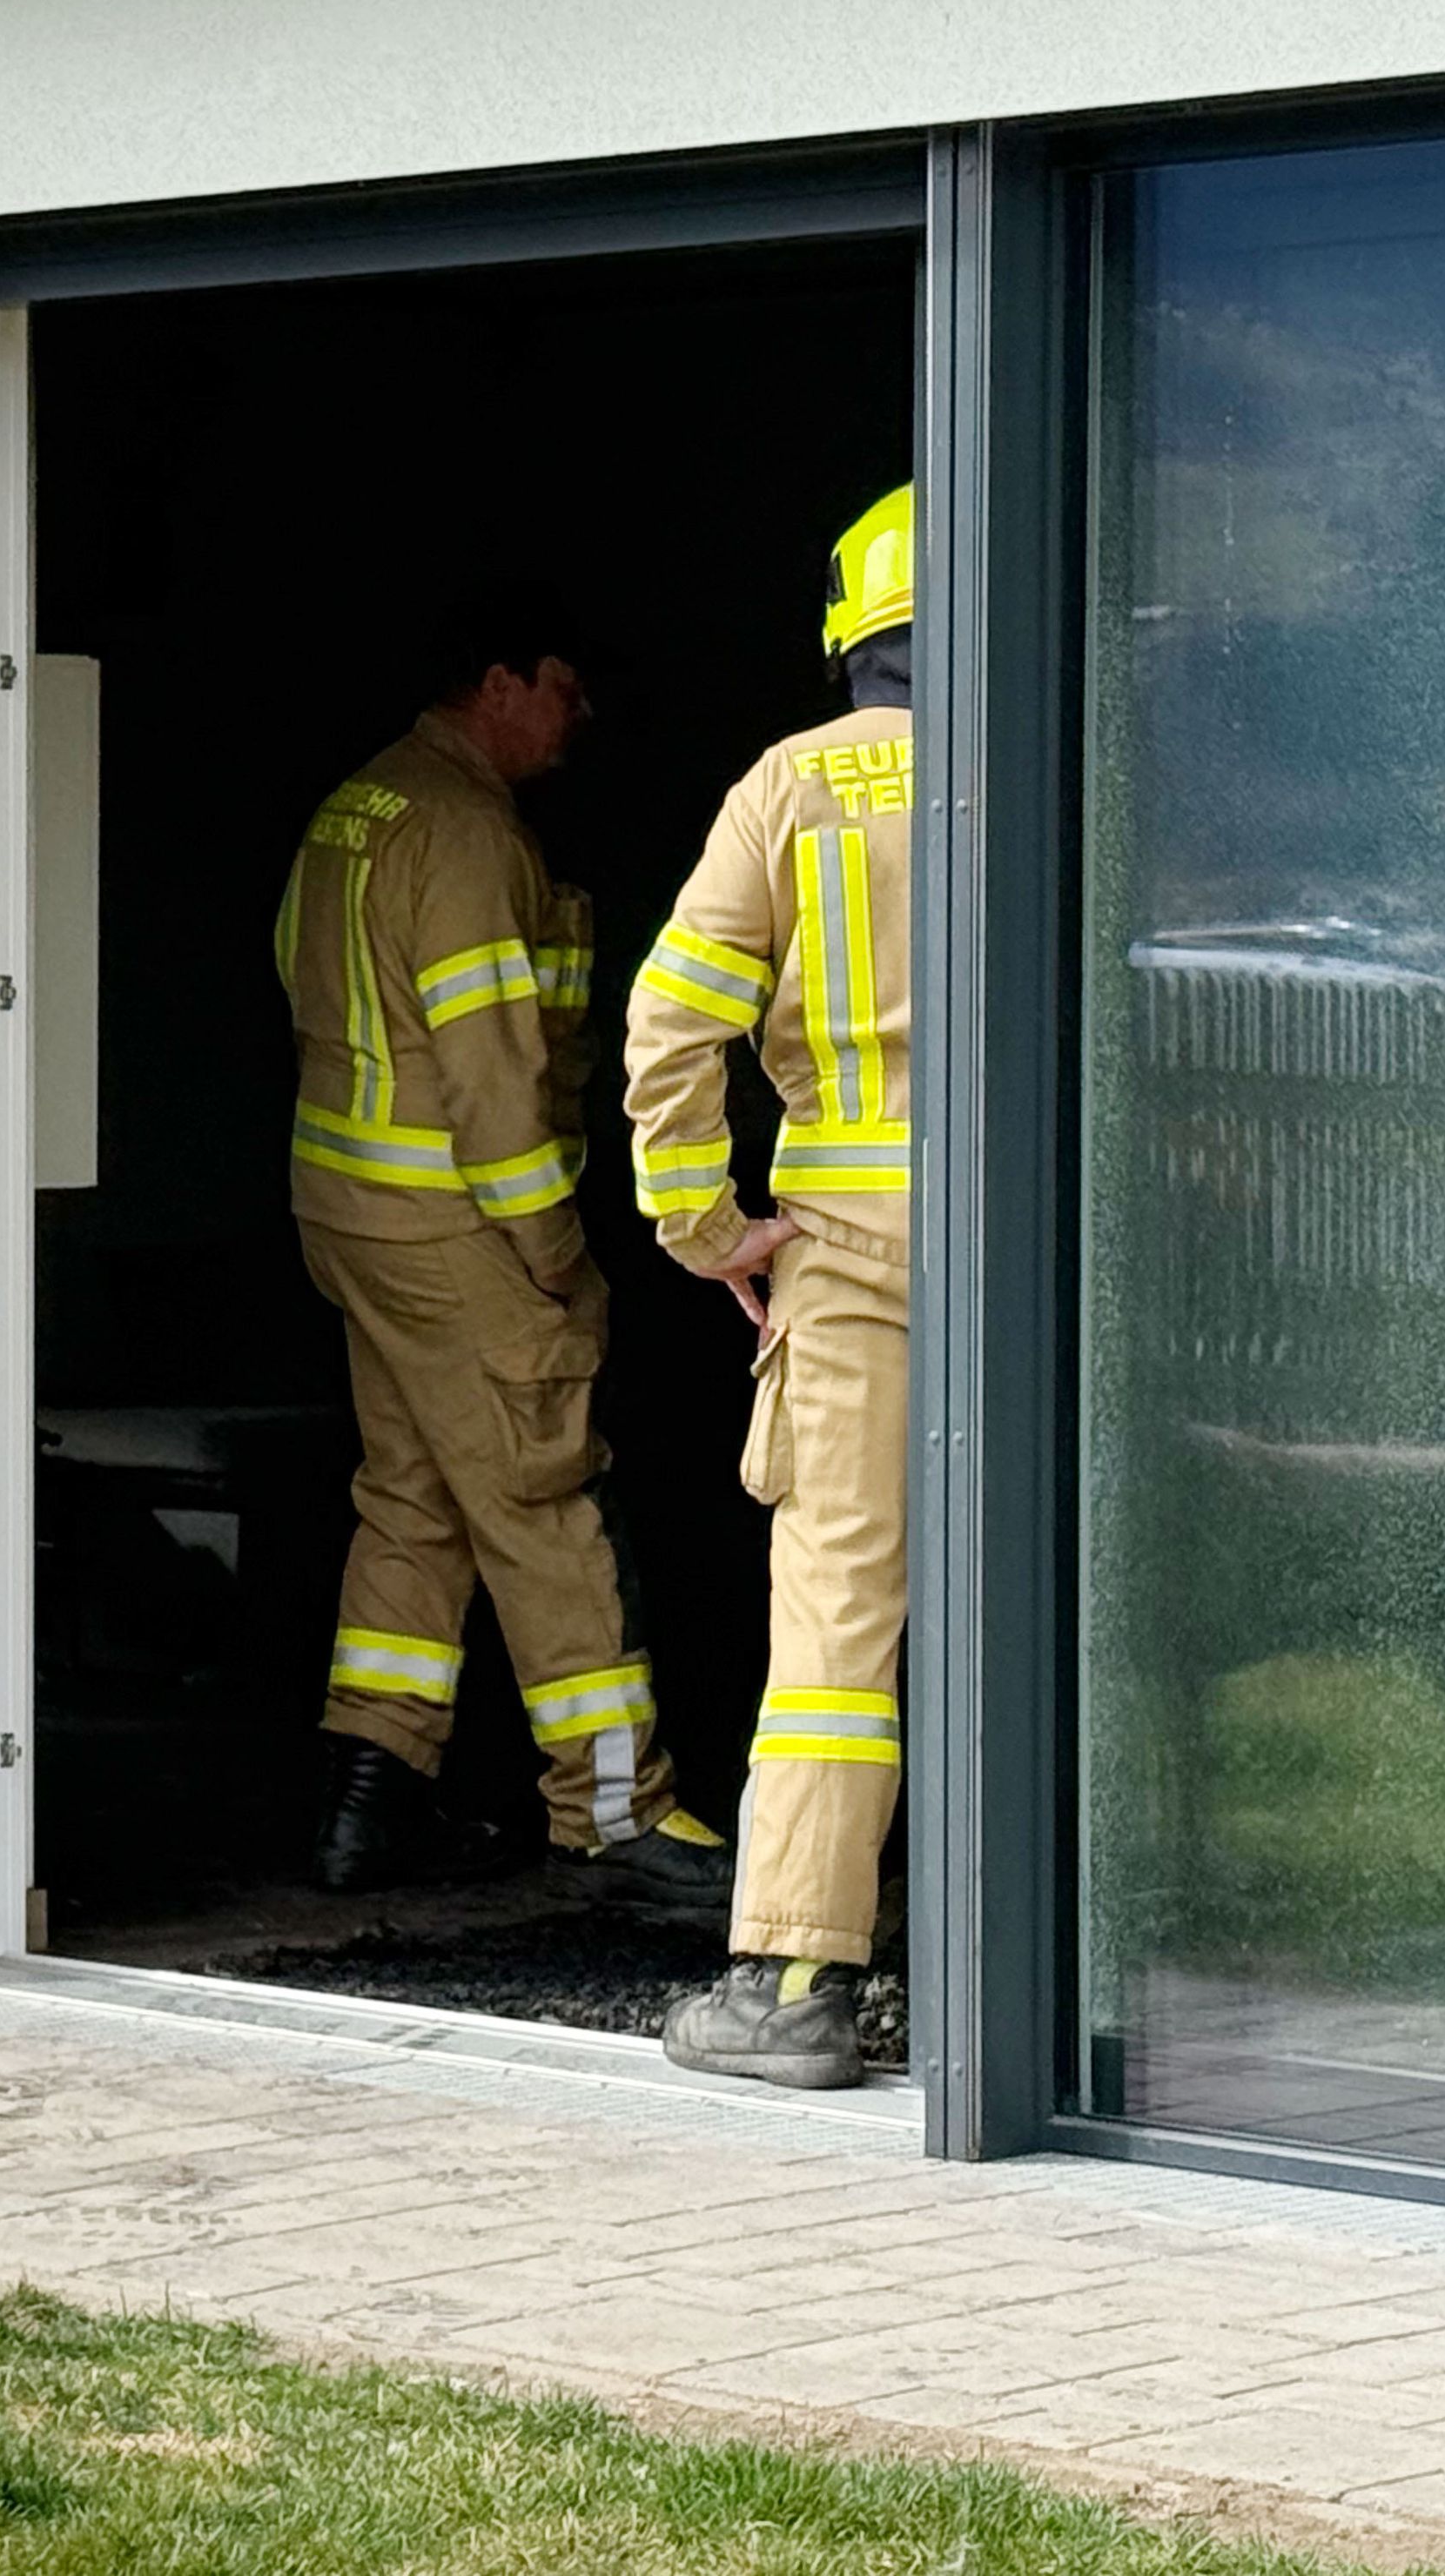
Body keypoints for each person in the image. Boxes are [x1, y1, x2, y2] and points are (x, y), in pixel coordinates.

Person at [277, 606, 733, 1910]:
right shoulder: (471, 836)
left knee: (413, 1498)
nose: (578, 713)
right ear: (497, 682)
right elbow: (493, 1079)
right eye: (562, 685)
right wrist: (550, 1248)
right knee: (544, 1498)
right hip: (458, 1229)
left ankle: (368, 1802)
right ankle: (617, 1818)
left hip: (353, 1217)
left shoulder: (358, 805)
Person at [628, 485, 917, 2089]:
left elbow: (672, 1027)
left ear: (849, 633)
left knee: (837, 1619)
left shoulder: (789, 787)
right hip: (1046, 1263)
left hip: (851, 1266)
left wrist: (703, 1227)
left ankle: (800, 1980)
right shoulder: (1050, 760)